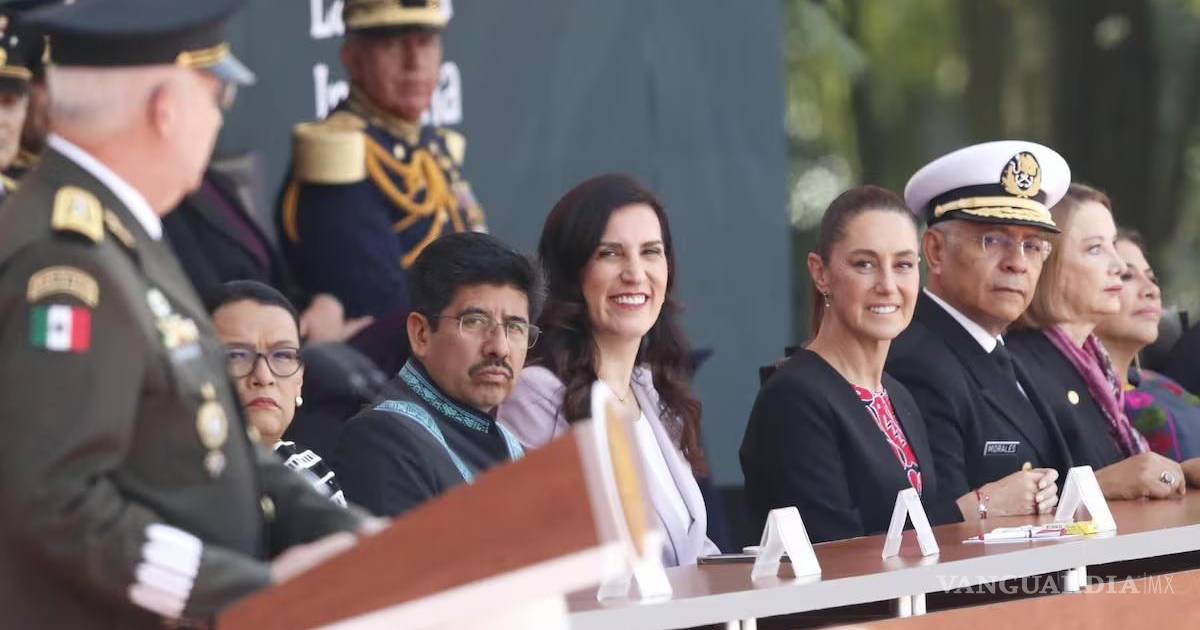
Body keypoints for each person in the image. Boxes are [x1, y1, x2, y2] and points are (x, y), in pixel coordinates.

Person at [0, 2, 368, 626]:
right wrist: (239, 589)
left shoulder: (123, 232)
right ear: (165, 109)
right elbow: (55, 504)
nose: (220, 118)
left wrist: (353, 534)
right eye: (215, 97)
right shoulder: (65, 259)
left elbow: (214, 442)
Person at [744, 186, 987, 544]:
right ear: (820, 273)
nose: (888, 285)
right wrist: (968, 510)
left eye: (903, 265)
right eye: (864, 264)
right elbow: (834, 550)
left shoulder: (898, 395)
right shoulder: (793, 398)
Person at [500, 174, 720, 566]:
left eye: (650, 252)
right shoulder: (534, 396)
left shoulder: (653, 392)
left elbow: (692, 551)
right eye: (610, 254)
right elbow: (544, 557)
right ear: (571, 273)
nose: (635, 273)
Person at [886, 141, 1069, 522]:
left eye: (1033, 245)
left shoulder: (1003, 351)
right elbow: (934, 530)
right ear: (935, 251)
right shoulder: (917, 362)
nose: (1018, 263)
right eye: (994, 240)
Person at [277, 0, 484, 324]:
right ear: (352, 59)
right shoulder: (341, 159)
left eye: (426, 43)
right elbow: (382, 307)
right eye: (393, 45)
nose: (414, 63)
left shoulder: (428, 142)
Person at [1007, 184, 1198, 497]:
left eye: (1112, 245)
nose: (1118, 266)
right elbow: (1017, 500)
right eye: (1095, 249)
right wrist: (1101, 485)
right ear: (1046, 262)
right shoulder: (1016, 367)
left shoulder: (1094, 371)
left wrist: (1181, 475)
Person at [334, 232, 542, 517]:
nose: (500, 348)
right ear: (421, 334)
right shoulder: (381, 439)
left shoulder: (507, 442)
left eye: (515, 327)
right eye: (475, 321)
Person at [209, 280, 347, 506]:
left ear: (299, 380)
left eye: (282, 355)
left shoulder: (309, 472)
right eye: (236, 356)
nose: (264, 377)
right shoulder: (172, 480)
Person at [1093, 232, 1200, 463]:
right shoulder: (1079, 401)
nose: (1152, 289)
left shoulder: (1161, 383)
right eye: (1126, 276)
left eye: (1152, 278)